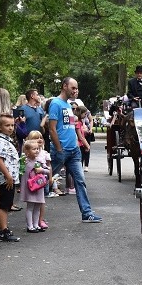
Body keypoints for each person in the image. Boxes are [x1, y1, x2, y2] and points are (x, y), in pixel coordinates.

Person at [48, 77, 102, 223]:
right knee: (43, 180)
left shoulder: (68, 105)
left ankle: (87, 213)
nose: (76, 91)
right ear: (64, 86)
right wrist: (59, 149)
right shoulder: (56, 104)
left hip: (74, 151)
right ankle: (31, 205)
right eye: (73, 88)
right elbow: (52, 128)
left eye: (77, 88)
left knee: (80, 181)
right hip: (61, 151)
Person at [0, 113, 21, 242]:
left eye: (12, 125)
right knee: (5, 204)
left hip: (8, 177)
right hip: (6, 178)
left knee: (3, 201)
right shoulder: (1, 142)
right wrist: (8, 176)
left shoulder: (6, 141)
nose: (10, 128)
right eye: (7, 125)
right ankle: (3, 230)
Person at [20, 139, 47, 233]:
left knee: (37, 206)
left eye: (37, 149)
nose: (36, 151)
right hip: (29, 188)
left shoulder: (39, 162)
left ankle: (36, 224)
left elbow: (47, 170)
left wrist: (42, 170)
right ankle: (30, 226)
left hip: (38, 188)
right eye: (33, 149)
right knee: (30, 206)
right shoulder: (24, 161)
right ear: (27, 151)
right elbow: (21, 173)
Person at [26, 130, 51, 229]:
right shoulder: (26, 159)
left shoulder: (43, 154)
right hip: (31, 185)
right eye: (36, 138)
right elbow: (24, 173)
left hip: (41, 184)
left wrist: (49, 176)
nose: (39, 140)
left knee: (40, 203)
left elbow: (48, 168)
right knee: (31, 206)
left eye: (41, 137)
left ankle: (38, 222)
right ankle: (30, 225)